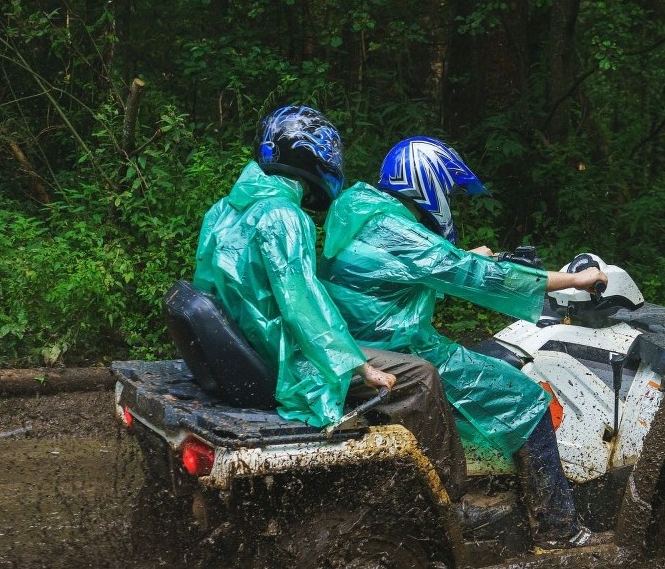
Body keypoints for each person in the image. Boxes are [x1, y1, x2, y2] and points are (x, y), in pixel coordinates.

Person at [318, 136, 605, 549]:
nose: (449, 199)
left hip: (363, 341)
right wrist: (576, 279)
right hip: (403, 350)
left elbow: (397, 272)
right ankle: (557, 528)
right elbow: (478, 277)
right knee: (528, 400)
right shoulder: (398, 231)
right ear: (427, 182)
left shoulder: (362, 211)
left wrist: (459, 256)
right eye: (448, 189)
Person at [192, 107, 466, 494]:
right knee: (422, 376)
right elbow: (301, 304)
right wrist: (356, 365)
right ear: (314, 158)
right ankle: (449, 496)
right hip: (285, 356)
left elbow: (209, 282)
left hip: (247, 345)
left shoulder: (224, 209)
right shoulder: (283, 216)